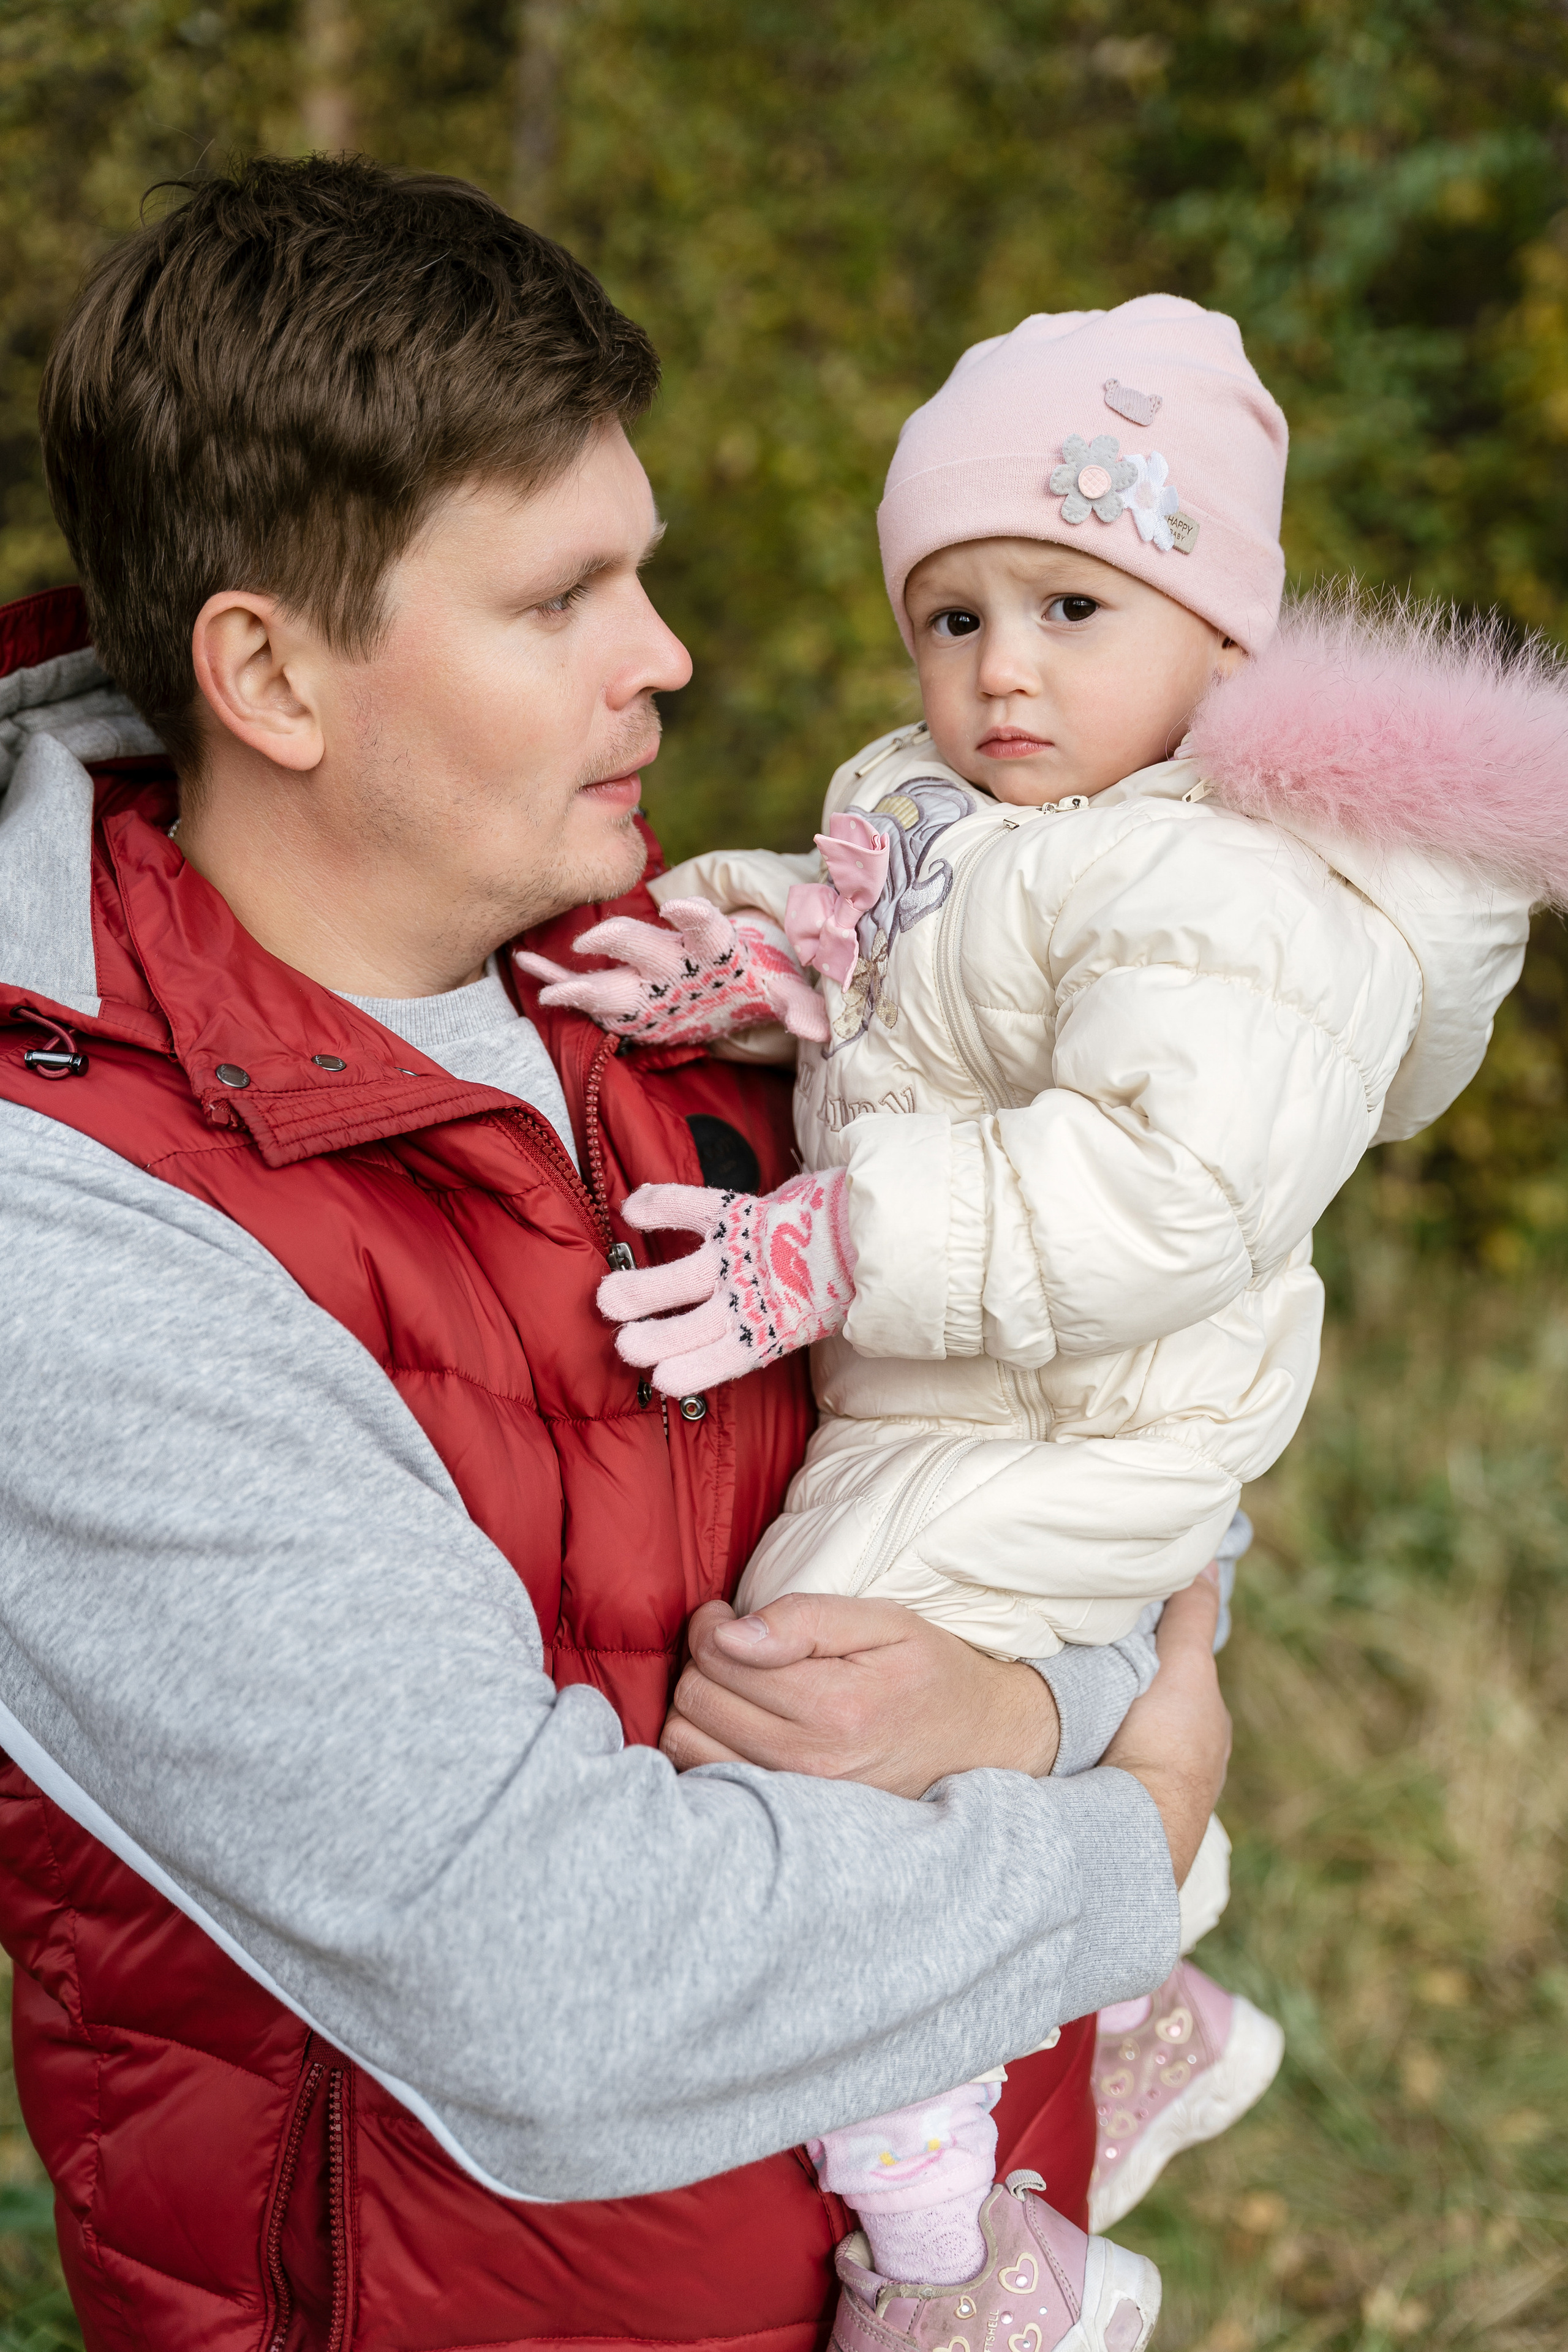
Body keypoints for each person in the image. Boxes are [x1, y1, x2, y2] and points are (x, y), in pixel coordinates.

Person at [0, 164, 1231, 2352]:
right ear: (268, 671)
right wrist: (1116, 1834)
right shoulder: (77, 1229)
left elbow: (1129, 1429)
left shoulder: (678, 996)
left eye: (640, 574)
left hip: (945, 2272)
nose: (665, 655)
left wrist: (1033, 1696)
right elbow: (550, 1971)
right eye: (561, 596)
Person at [522, 297, 1563, 2339]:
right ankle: (1144, 2008)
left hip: (1085, 1418)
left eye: (1075, 605)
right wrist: (748, 963)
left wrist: (827, 1244)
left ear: (1222, 642)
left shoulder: (1248, 888)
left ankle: (960, 2263)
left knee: (802, 1735)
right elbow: (891, 951)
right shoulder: (955, 811)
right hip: (975, 1392)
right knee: (835, 1713)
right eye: (954, 614)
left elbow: (1168, 1182)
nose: (1003, 669)